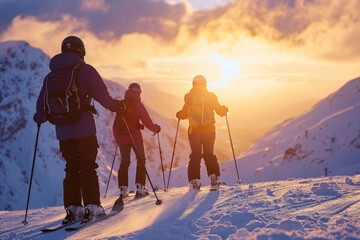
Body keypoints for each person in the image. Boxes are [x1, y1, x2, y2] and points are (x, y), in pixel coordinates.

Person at [34, 36, 124, 223]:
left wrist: (40, 118)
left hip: (63, 132)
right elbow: (103, 96)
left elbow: (41, 104)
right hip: (83, 129)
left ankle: (73, 209)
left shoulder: (51, 76)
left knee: (71, 168)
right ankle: (92, 207)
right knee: (88, 167)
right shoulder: (85, 70)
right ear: (81, 51)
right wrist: (118, 107)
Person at [176, 75, 228, 190]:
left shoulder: (189, 97)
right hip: (209, 131)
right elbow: (220, 111)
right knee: (209, 155)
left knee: (195, 156)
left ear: (193, 84)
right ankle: (214, 179)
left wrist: (178, 114)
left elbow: (184, 114)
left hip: (194, 132)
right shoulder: (211, 96)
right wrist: (224, 109)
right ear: (205, 84)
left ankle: (195, 181)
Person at [113, 83, 161, 202]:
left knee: (125, 162)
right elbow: (147, 122)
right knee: (141, 159)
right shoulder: (138, 105)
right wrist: (156, 128)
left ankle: (123, 189)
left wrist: (117, 138)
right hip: (135, 137)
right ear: (139, 92)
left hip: (122, 138)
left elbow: (116, 124)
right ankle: (140, 187)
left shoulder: (121, 104)